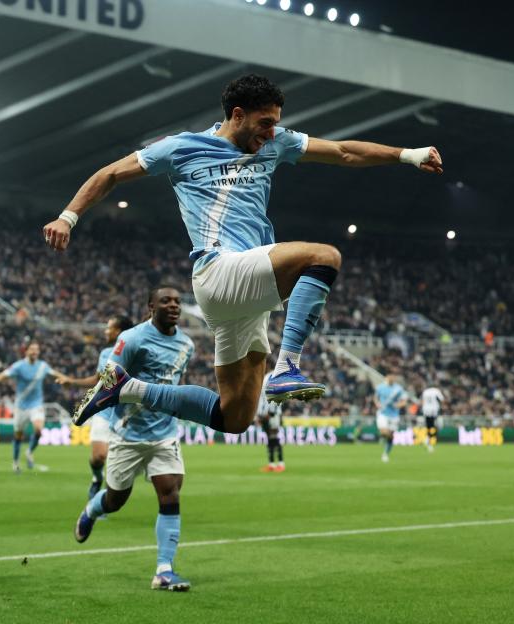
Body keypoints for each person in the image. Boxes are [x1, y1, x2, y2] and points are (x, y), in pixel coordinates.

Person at [43, 73, 442, 435]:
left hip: (247, 290)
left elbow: (342, 151)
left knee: (234, 417)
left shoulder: (277, 142)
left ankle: (126, 388)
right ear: (237, 115)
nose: (271, 132)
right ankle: (287, 367)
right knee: (324, 257)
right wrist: (67, 217)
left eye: (275, 122)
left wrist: (408, 154)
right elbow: (111, 173)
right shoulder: (181, 147)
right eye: (265, 122)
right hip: (218, 270)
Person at [73, 286, 194, 591]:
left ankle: (164, 570)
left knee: (170, 494)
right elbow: (108, 380)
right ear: (151, 306)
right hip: (128, 432)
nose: (173, 305)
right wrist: (86, 409)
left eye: (177, 301)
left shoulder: (187, 344)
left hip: (164, 434)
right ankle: (92, 510)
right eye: (166, 301)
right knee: (115, 501)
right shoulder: (132, 339)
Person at [60, 315, 135, 499]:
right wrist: (72, 382)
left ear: (119, 332)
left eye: (109, 328)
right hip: (104, 410)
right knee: (99, 457)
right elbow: (98, 380)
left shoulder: (136, 352)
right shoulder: (105, 353)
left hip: (126, 414)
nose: (105, 331)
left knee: (118, 465)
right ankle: (96, 477)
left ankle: (107, 499)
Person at [0, 342, 68, 473]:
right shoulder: (19, 366)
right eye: (32, 349)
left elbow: (54, 373)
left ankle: (29, 451)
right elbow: (4, 374)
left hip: (36, 404)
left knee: (38, 429)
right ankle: (16, 462)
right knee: (18, 435)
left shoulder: (42, 366)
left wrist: (67, 380)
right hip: (21, 406)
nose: (35, 352)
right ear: (26, 351)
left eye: (37, 349)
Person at [374, 373, 408, 463]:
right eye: (389, 376)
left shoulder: (398, 389)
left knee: (391, 436)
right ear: (386, 377)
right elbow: (376, 397)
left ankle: (385, 453)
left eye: (393, 377)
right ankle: (383, 437)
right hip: (383, 413)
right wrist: (377, 403)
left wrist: (398, 405)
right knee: (384, 431)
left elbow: (404, 401)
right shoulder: (380, 387)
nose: (391, 378)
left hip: (394, 415)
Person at [256, 371, 284, 472]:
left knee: (274, 439)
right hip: (265, 416)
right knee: (270, 440)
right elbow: (262, 400)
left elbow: (276, 398)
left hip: (272, 415)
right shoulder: (264, 380)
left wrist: (270, 413)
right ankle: (271, 464)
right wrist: (259, 415)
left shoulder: (273, 379)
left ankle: (280, 464)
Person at [420, 383, 446, 453]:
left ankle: (428, 439)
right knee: (435, 426)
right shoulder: (436, 391)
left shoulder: (425, 391)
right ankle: (431, 439)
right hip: (434, 410)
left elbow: (422, 401)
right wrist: (443, 407)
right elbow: (442, 399)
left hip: (426, 410)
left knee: (429, 426)